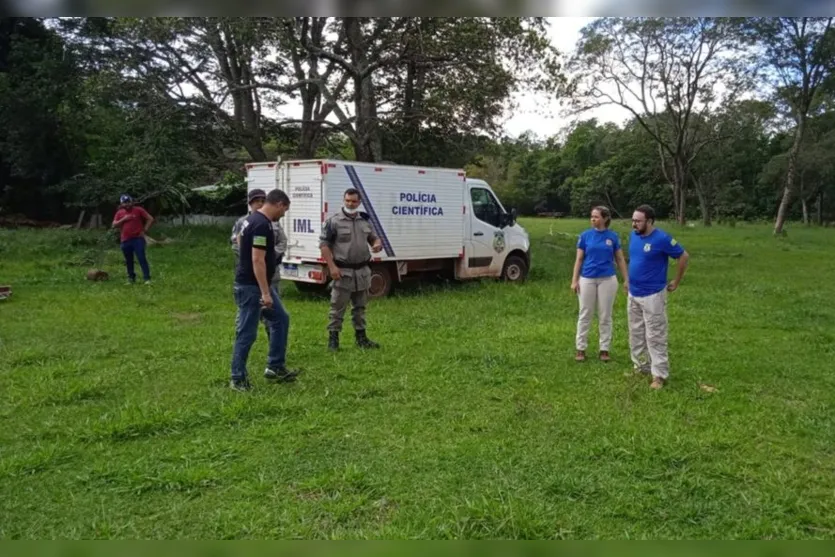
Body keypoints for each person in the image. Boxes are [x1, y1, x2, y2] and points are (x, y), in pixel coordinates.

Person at [230, 188, 299, 391]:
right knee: (247, 333)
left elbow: (242, 243)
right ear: (279, 204)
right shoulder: (261, 225)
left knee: (280, 318)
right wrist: (265, 292)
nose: (283, 214)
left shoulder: (250, 220)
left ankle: (275, 366)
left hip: (257, 284)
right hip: (251, 287)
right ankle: (237, 378)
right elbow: (257, 259)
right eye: (284, 210)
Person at [627, 204, 690, 390]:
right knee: (636, 333)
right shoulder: (634, 236)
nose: (634, 224)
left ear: (650, 221)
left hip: (653, 294)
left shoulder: (661, 238)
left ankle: (659, 375)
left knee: (655, 335)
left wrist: (676, 281)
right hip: (634, 293)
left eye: (638, 221)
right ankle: (641, 367)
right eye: (633, 220)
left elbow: (683, 256)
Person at [319, 188, 384, 351]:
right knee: (337, 307)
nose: (350, 203)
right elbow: (324, 245)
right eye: (348, 200)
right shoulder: (333, 221)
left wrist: (377, 244)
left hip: (362, 271)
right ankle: (333, 340)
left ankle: (361, 338)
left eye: (354, 201)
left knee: (360, 306)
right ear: (343, 200)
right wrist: (331, 267)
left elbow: (373, 238)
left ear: (359, 202)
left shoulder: (364, 221)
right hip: (343, 271)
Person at [571, 206, 629, 362]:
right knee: (585, 313)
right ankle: (580, 348)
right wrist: (574, 280)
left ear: (605, 218)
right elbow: (579, 259)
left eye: (596, 217)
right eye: (591, 216)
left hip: (607, 279)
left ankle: (604, 349)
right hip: (587, 278)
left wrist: (626, 279)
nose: (593, 219)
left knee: (605, 315)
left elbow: (620, 259)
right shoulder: (585, 236)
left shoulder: (613, 237)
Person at [231, 189, 288, 341]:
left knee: (276, 314)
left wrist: (270, 256)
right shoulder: (244, 222)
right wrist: (255, 258)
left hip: (270, 275)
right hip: (250, 277)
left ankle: (274, 342)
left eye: (263, 200)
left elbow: (282, 242)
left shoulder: (273, 223)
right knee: (247, 316)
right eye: (257, 201)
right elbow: (238, 246)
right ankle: (241, 344)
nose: (260, 204)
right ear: (250, 204)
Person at [111, 194, 154, 285]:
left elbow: (150, 219)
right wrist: (124, 219)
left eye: (128, 202)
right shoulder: (120, 213)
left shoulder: (138, 210)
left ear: (132, 202)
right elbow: (114, 225)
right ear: (121, 204)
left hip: (137, 239)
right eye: (125, 203)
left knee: (141, 258)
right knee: (128, 260)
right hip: (125, 240)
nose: (127, 204)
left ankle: (147, 278)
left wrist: (144, 230)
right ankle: (131, 278)